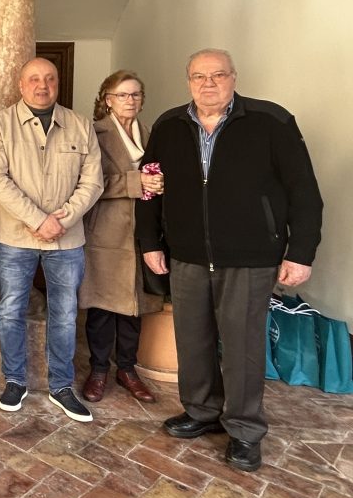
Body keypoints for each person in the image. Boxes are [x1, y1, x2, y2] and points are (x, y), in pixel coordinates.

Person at [136, 49, 323, 472]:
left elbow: (304, 192)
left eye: (218, 75)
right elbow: (149, 187)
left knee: (242, 347)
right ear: (188, 81)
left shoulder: (271, 121)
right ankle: (202, 410)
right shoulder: (168, 126)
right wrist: (150, 241)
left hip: (249, 258)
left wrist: (300, 252)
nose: (208, 84)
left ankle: (244, 430)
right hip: (187, 255)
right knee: (193, 339)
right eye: (199, 76)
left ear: (233, 77)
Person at [0, 57, 103, 422]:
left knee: (64, 314)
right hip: (16, 236)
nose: (42, 85)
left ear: (57, 83)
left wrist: (63, 218)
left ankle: (61, 386)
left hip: (66, 238)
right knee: (11, 309)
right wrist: (38, 219)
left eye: (49, 78)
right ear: (21, 85)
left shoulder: (80, 125)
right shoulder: (0, 124)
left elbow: (93, 181)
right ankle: (14, 380)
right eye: (34, 79)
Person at [78, 71, 164, 405]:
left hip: (142, 232)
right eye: (123, 95)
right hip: (105, 232)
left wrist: (160, 183)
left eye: (136, 95)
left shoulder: (151, 133)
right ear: (107, 99)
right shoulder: (94, 133)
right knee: (102, 306)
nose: (130, 101)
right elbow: (88, 182)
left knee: (134, 307)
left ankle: (127, 370)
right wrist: (135, 182)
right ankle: (98, 369)